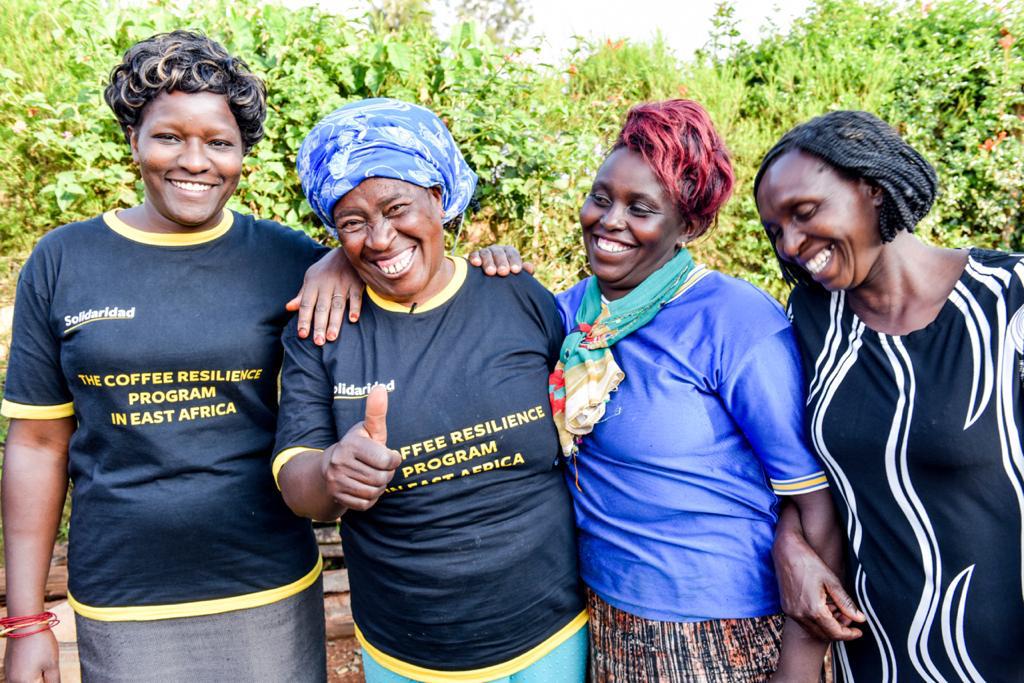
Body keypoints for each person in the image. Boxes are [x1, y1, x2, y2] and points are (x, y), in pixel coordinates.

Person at [0, 30, 358, 681]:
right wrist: (26, 622)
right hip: (123, 598)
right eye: (169, 136)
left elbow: (410, 286)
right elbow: (37, 445)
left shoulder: (290, 260)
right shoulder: (63, 261)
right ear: (133, 138)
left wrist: (345, 259)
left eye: (219, 143)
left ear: (242, 153)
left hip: (266, 589)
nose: (196, 161)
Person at [467, 100, 851, 681]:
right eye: (601, 198)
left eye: (640, 209)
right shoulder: (565, 315)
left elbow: (813, 499)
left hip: (722, 631)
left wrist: (798, 665)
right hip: (600, 612)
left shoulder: (734, 322)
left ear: (688, 226)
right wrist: (485, 275)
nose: (609, 221)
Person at [273, 98, 587, 683]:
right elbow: (298, 483)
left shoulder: (516, 296)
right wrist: (332, 473)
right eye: (353, 222)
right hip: (408, 645)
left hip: (551, 631)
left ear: (439, 198)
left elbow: (583, 413)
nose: (381, 238)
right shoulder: (322, 328)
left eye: (397, 208)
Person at [754, 110, 1024, 681]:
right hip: (875, 659)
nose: (792, 244)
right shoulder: (811, 321)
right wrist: (789, 544)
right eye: (776, 231)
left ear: (872, 188)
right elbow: (801, 474)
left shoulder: (1007, 301)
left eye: (804, 212)